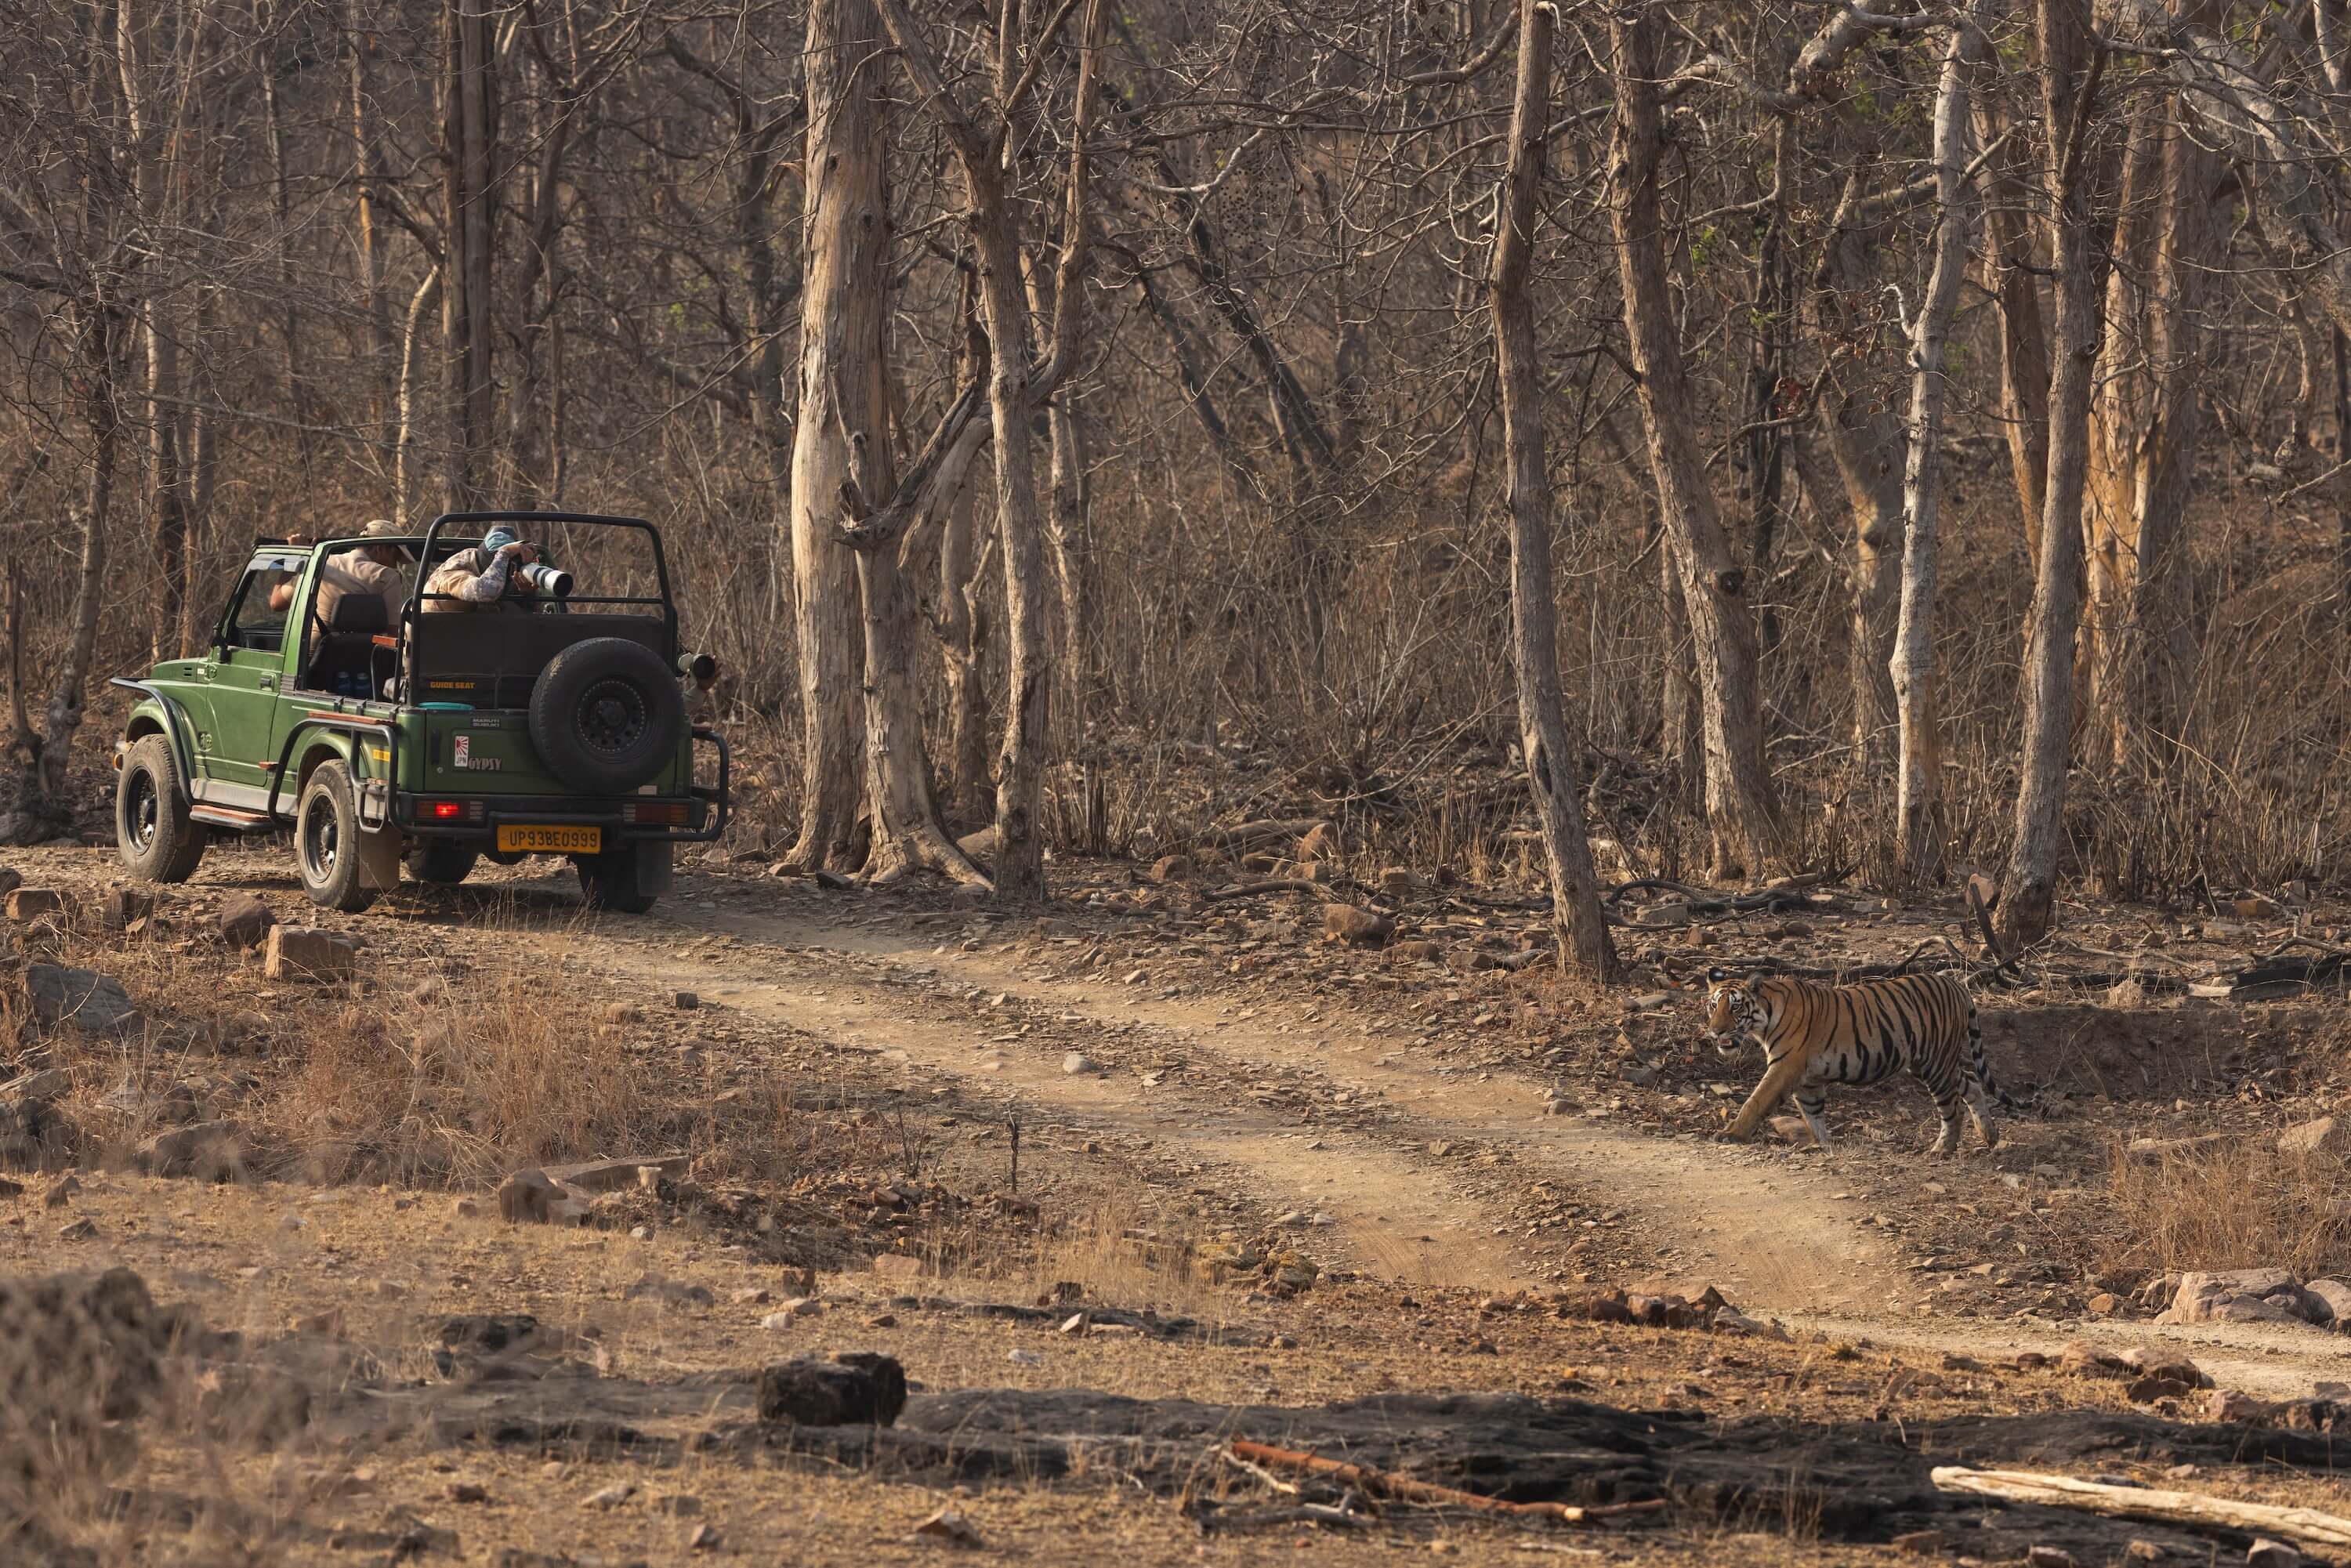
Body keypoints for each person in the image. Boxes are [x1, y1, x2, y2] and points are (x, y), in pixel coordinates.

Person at [269, 518, 410, 626]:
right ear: (380, 549)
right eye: (395, 558)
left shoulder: (319, 564)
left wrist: (295, 558)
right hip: (365, 659)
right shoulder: (387, 576)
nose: (395, 565)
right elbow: (393, 634)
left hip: (309, 658)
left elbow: (276, 603)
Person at [421, 524, 542, 614]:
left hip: (473, 639)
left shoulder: (500, 578)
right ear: (486, 556)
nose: (504, 563)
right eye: (497, 557)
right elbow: (486, 592)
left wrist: (527, 595)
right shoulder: (454, 572)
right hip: (432, 641)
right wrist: (505, 553)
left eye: (511, 558)